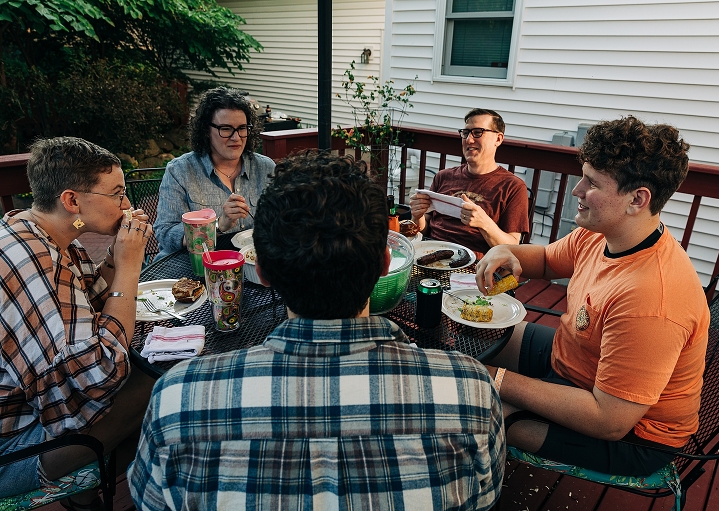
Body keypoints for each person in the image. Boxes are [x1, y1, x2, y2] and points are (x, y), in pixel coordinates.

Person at [129, 151, 505, 510]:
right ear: (384, 264)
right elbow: (485, 498)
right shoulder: (470, 391)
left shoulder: (176, 403)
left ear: (262, 271)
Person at [475, 116, 710, 476]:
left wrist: (494, 377)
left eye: (592, 183)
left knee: (471, 409)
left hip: (631, 437)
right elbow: (547, 259)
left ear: (637, 199)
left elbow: (608, 420)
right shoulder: (604, 232)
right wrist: (503, 252)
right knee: (478, 333)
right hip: (575, 362)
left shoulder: (653, 300)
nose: (576, 190)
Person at [0, 137, 156, 507]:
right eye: (117, 194)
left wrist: (119, 260)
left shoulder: (49, 236)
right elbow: (96, 375)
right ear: (72, 201)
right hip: (12, 450)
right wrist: (131, 266)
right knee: (164, 385)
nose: (127, 205)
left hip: (29, 411)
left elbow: (94, 307)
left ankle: (86, 499)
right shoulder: (28, 261)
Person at [154, 86, 275, 260]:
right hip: (191, 268)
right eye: (226, 129)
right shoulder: (180, 171)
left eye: (242, 128)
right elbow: (165, 233)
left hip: (252, 265)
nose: (236, 137)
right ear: (206, 130)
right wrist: (216, 226)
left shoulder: (266, 168)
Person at [409, 108, 529, 255]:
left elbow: (513, 248)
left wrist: (484, 223)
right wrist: (417, 216)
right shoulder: (443, 177)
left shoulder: (513, 187)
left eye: (478, 132)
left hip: (476, 267)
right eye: (466, 133)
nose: (469, 140)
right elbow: (424, 229)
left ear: (498, 139)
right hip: (431, 255)